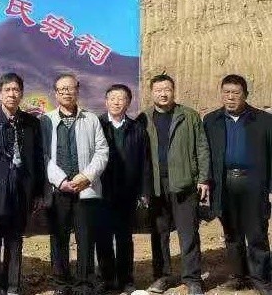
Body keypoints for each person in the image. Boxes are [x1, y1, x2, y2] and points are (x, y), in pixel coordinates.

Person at [138, 74, 210, 295]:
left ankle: (193, 278)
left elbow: (202, 148)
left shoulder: (189, 116)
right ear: (151, 93)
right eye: (158, 90)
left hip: (184, 183)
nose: (163, 94)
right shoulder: (143, 118)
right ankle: (162, 276)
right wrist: (142, 187)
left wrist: (203, 178)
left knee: (188, 233)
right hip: (156, 186)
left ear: (174, 90)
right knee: (159, 234)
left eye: (167, 89)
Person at [0, 73, 44, 295]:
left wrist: (38, 192)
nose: (12, 94)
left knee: (15, 241)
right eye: (7, 90)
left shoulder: (32, 123)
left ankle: (12, 286)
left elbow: (38, 160)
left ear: (21, 93)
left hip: (21, 190)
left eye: (16, 90)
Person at [203, 74, 272, 294]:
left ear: (245, 95)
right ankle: (238, 276)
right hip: (224, 184)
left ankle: (261, 278)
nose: (230, 97)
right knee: (232, 233)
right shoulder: (211, 121)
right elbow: (205, 154)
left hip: (254, 183)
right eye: (226, 92)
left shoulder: (263, 120)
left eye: (235, 93)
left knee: (256, 233)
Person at [41, 74, 109, 295]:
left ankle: (84, 283)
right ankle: (61, 283)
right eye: (62, 89)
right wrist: (60, 180)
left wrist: (86, 176)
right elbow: (42, 155)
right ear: (55, 93)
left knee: (86, 238)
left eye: (70, 88)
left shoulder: (91, 119)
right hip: (58, 190)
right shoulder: (46, 121)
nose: (66, 93)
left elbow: (102, 151)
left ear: (77, 91)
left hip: (85, 188)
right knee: (59, 237)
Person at [94, 84, 151, 295]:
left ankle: (126, 279)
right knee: (103, 237)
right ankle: (106, 279)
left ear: (128, 102)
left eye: (121, 98)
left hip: (127, 192)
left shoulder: (137, 129)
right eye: (113, 98)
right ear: (106, 101)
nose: (117, 102)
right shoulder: (97, 125)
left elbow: (145, 162)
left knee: (125, 237)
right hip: (102, 191)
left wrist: (144, 191)